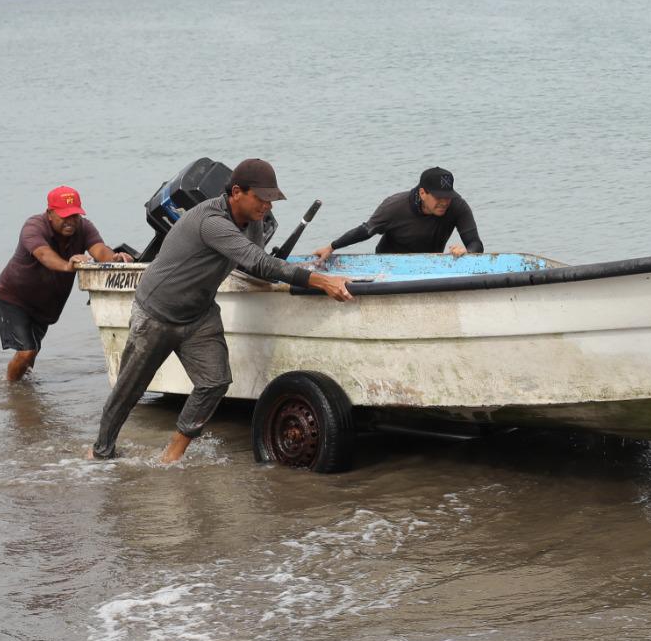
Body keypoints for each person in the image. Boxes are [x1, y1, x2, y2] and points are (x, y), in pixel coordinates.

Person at [90, 158, 354, 464]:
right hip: (157, 312)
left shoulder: (253, 219)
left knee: (215, 381)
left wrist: (304, 271)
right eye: (262, 199)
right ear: (237, 192)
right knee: (128, 391)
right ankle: (100, 452)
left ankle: (173, 453)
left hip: (199, 312)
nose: (267, 207)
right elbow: (258, 262)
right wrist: (321, 281)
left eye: (272, 200)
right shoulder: (211, 221)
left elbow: (255, 263)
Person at [0, 185, 132, 383]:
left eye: (75, 216)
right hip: (15, 297)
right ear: (50, 213)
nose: (71, 222)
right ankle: (10, 390)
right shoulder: (34, 227)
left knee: (31, 353)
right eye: (64, 216)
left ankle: (24, 394)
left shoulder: (84, 227)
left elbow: (100, 251)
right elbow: (44, 255)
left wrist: (116, 259)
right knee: (27, 351)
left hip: (45, 304)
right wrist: (68, 266)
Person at [313, 166, 484, 259]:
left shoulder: (457, 206)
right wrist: (331, 247)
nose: (445, 202)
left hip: (430, 263)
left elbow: (475, 243)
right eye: (439, 197)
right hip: (388, 263)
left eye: (448, 197)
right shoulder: (395, 206)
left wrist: (467, 252)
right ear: (423, 193)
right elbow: (366, 231)